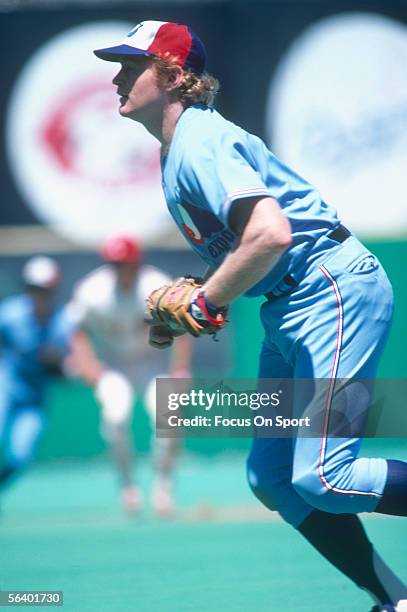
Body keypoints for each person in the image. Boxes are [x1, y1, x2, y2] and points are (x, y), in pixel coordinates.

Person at [94, 21, 407, 610]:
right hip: (290, 305)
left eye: (131, 65)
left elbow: (270, 235)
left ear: (171, 74)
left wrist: (206, 300)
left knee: (325, 478)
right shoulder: (177, 149)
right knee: (274, 481)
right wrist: (192, 304)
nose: (116, 76)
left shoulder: (198, 141)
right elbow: (251, 249)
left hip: (330, 288)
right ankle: (396, 599)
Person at [68, 234, 191, 515]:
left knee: (168, 420)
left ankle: (163, 485)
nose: (118, 269)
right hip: (115, 365)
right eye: (113, 264)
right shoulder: (92, 289)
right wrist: (89, 366)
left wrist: (179, 369)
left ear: (136, 263)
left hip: (152, 362)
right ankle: (127, 485)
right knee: (114, 417)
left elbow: (182, 328)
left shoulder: (156, 285)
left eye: (123, 263)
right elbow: (77, 330)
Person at [0, 256, 71, 497]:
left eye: (44, 290)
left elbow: (65, 370)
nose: (38, 295)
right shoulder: (9, 315)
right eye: (33, 288)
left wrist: (59, 365)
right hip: (5, 388)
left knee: (22, 456)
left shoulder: (63, 324)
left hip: (34, 399)